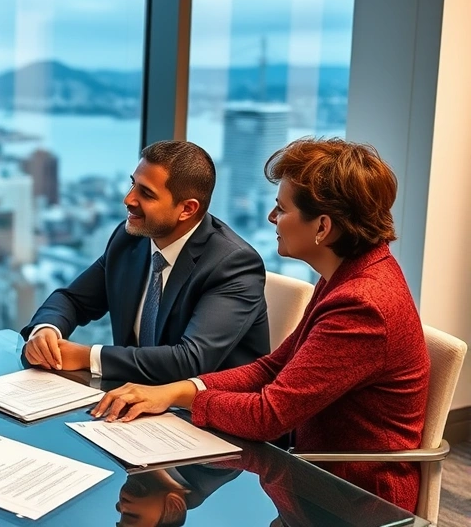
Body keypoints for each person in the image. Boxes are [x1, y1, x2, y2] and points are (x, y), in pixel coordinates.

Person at [92, 138, 430, 512]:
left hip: (351, 502)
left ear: (323, 227)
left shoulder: (362, 304)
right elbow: (273, 367)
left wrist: (180, 396)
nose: (272, 218)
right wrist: (178, 389)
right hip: (305, 480)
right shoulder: (347, 275)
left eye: (281, 209)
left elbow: (270, 416)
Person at [21, 140, 269, 383]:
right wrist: (46, 331)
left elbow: (190, 360)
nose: (128, 199)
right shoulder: (131, 238)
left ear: (187, 209)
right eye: (133, 184)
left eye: (146, 193)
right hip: (132, 398)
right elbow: (73, 299)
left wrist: (87, 356)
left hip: (204, 414)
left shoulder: (233, 265)